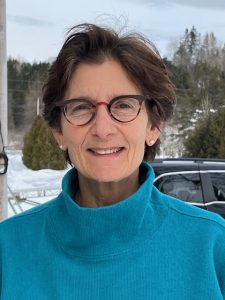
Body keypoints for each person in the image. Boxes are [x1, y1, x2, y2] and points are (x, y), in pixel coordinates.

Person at [1, 23, 225, 300]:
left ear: (154, 126)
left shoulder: (211, 246)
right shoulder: (8, 248)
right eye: (81, 107)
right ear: (58, 130)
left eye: (123, 105)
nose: (102, 129)